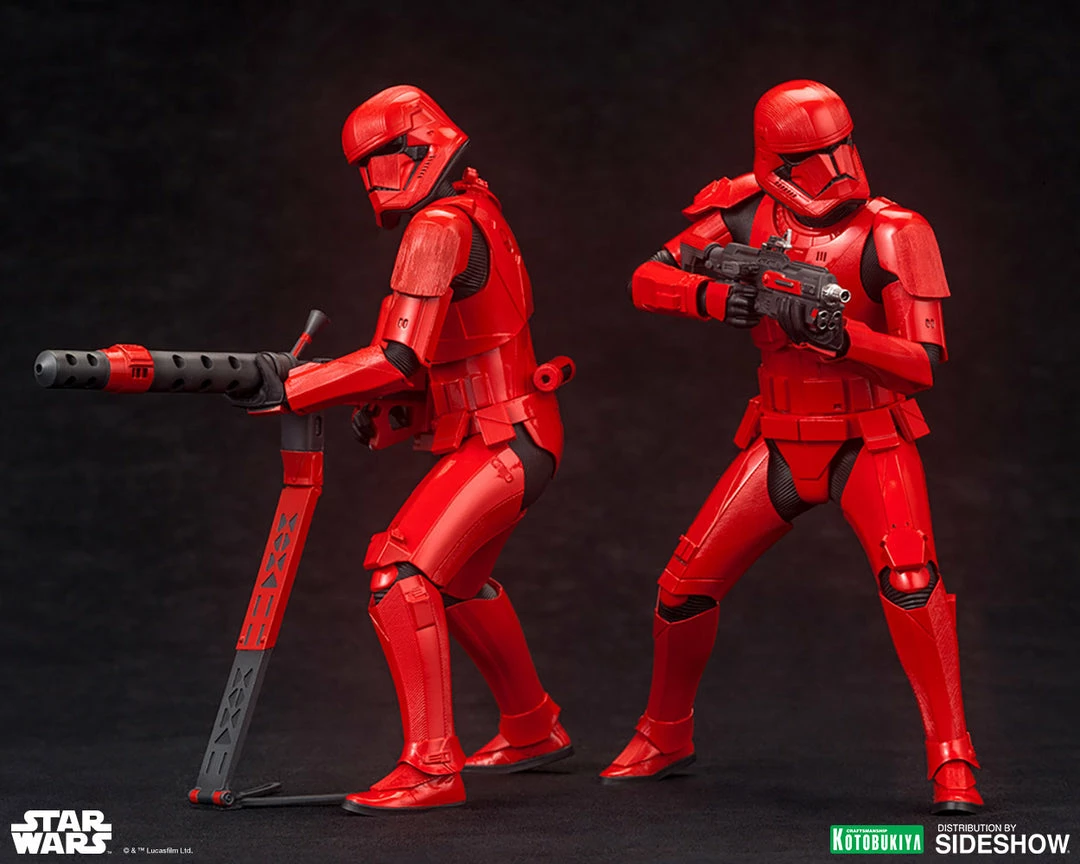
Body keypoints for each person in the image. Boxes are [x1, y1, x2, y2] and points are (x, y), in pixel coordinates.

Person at [602, 79, 981, 814]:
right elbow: (646, 280)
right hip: (777, 440)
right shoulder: (744, 214)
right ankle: (664, 733)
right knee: (683, 587)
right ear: (776, 161)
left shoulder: (895, 232)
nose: (837, 167)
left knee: (912, 582)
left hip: (871, 439)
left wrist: (844, 338)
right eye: (815, 155)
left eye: (844, 145)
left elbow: (924, 364)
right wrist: (718, 298)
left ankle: (952, 756)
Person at [235, 84, 573, 814]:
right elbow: (462, 352)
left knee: (400, 576)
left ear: (416, 147)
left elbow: (397, 356)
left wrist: (298, 386)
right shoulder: (478, 207)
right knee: (459, 584)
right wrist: (394, 411)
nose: (372, 178)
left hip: (502, 441)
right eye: (363, 167)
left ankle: (430, 767)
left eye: (378, 159)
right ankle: (532, 725)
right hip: (516, 432)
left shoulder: (439, 225)